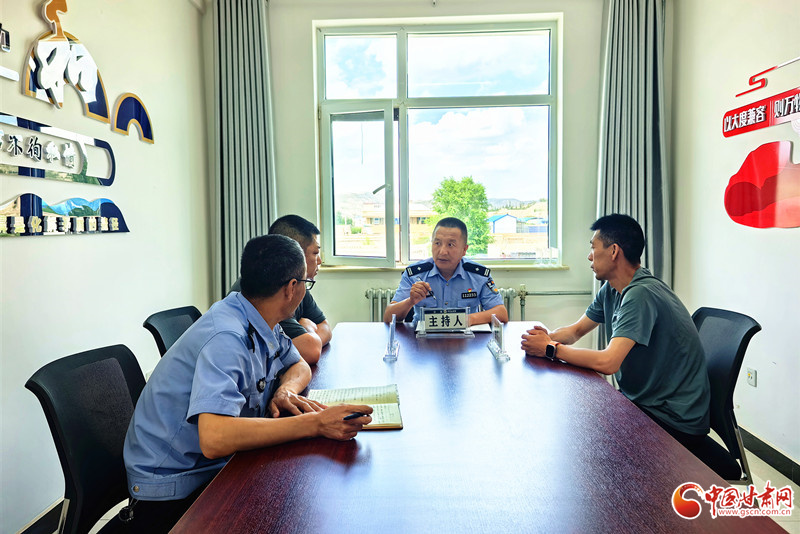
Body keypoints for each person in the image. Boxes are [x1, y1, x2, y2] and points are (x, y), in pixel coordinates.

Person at [122, 235, 372, 532]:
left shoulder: (258, 315)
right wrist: (316, 423)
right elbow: (215, 439)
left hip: (213, 465)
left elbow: (299, 364)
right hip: (173, 487)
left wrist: (286, 390)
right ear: (291, 288)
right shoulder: (227, 336)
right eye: (306, 283)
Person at [520, 214, 738, 478]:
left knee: (582, 437)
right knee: (579, 424)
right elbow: (576, 331)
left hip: (671, 418)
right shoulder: (612, 289)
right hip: (645, 403)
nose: (589, 256)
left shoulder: (640, 294)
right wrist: (546, 338)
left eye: (593, 248)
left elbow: (608, 362)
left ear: (613, 251)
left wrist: (550, 349)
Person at [231, 215, 331, 364]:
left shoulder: (297, 284)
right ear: (294, 251)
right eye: (315, 253)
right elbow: (311, 351)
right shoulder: (269, 290)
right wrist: (310, 330)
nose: (319, 261)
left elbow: (325, 328)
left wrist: (310, 335)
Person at [384, 217, 508, 326]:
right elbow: (388, 317)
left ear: (464, 249)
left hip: (465, 340)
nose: (442, 251)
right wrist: (410, 301)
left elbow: (501, 313)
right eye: (437, 243)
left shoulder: (478, 275)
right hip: (422, 340)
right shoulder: (415, 274)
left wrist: (467, 319)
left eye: (450, 245)